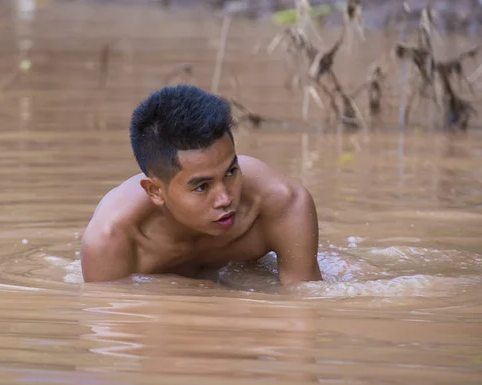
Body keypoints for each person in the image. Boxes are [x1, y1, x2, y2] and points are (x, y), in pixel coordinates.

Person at [80, 85, 323, 285]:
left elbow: (302, 308)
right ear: (155, 191)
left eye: (231, 172)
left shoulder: (282, 203)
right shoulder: (111, 240)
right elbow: (117, 330)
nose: (225, 198)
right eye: (202, 187)